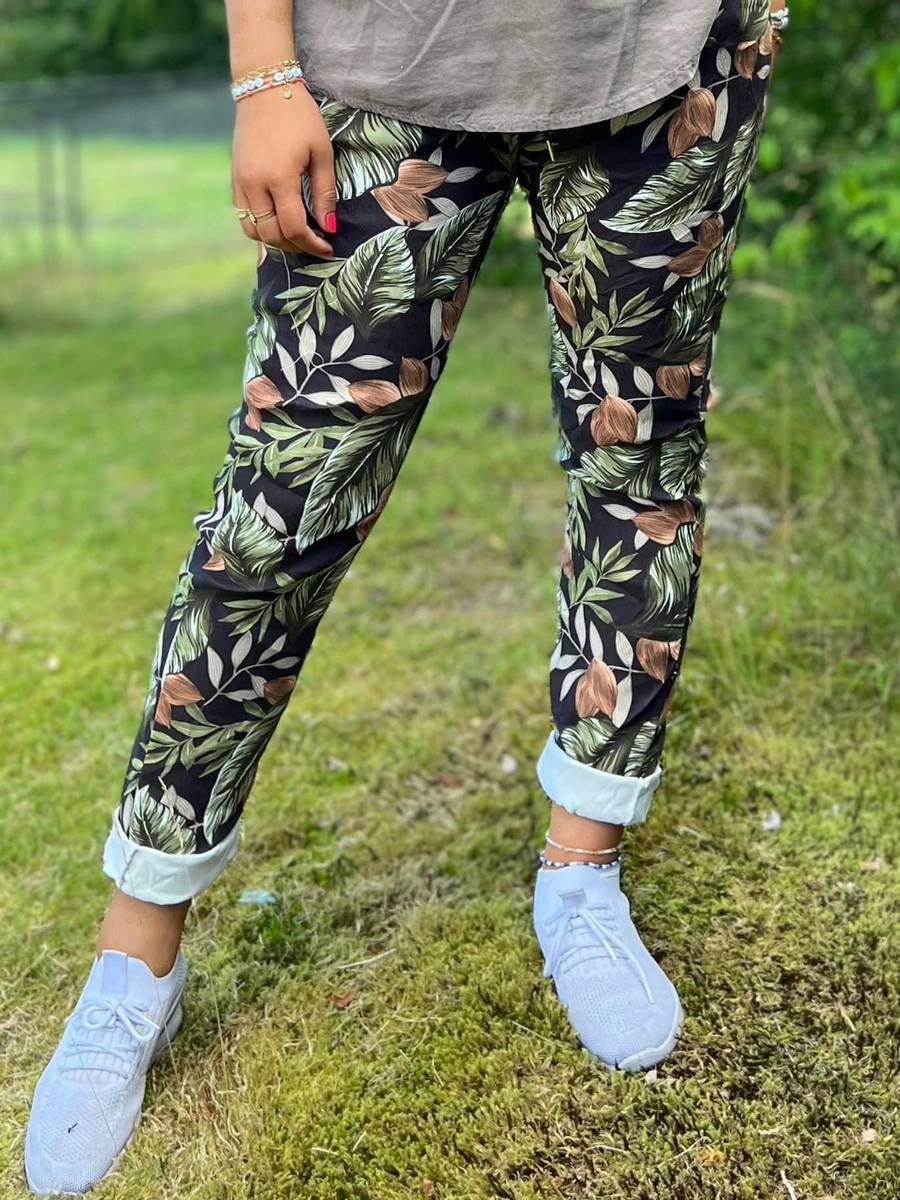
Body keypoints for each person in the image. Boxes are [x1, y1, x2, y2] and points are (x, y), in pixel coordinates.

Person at [23, 0, 787, 1192]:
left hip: (666, 52)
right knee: (278, 516)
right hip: (384, 63)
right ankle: (137, 953)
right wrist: (261, 72)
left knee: (639, 467)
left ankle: (581, 870)